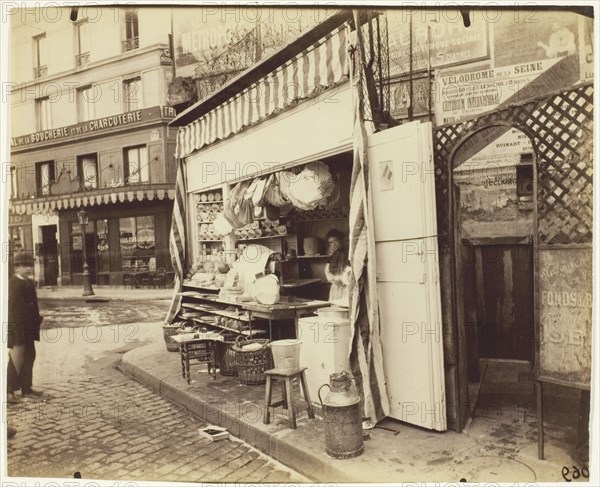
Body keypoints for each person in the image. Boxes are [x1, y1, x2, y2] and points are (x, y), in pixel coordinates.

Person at [7, 251, 44, 403]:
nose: (28, 268)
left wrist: (38, 319)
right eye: (24, 265)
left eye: (30, 265)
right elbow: (13, 310)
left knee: (30, 356)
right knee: (16, 359)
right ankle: (8, 391)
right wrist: (16, 330)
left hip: (29, 327)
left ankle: (26, 387)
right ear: (16, 268)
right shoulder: (14, 284)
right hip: (18, 328)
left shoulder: (28, 282)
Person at [324, 229, 351, 303]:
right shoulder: (333, 256)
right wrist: (332, 278)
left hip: (345, 288)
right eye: (331, 242)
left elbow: (349, 272)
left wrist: (341, 278)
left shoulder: (347, 254)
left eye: (336, 241)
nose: (333, 244)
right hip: (335, 288)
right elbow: (327, 272)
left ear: (341, 240)